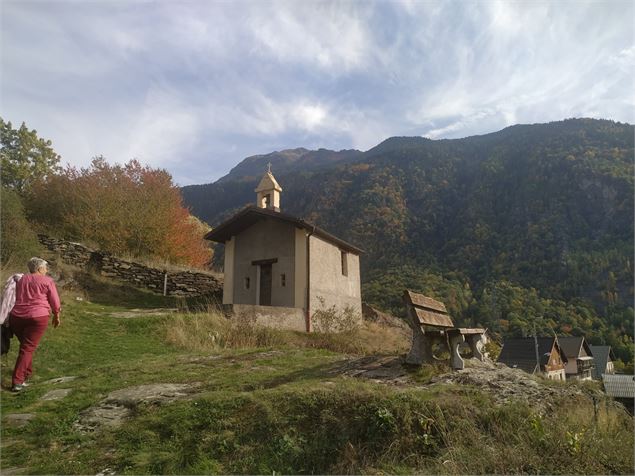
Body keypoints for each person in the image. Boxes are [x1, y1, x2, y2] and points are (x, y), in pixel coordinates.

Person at [8, 257, 61, 392]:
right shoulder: (47, 281)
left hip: (17, 316)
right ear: (39, 269)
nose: (46, 270)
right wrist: (57, 314)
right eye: (45, 268)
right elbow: (54, 300)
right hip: (37, 316)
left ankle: (27, 374)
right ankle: (17, 381)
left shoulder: (20, 279)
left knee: (26, 347)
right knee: (27, 348)